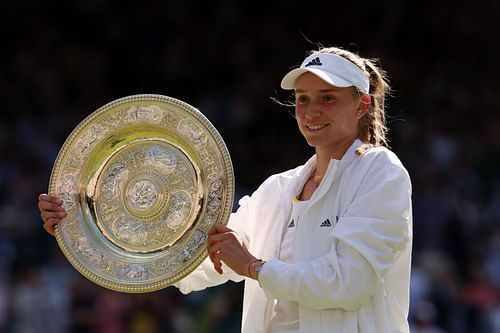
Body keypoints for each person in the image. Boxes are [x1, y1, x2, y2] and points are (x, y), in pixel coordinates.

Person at [39, 46, 413, 333]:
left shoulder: (380, 172)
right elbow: (196, 264)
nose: (311, 111)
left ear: (362, 104)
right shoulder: (275, 191)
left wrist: (252, 266)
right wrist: (83, 221)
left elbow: (348, 283)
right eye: (302, 99)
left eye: (327, 98)